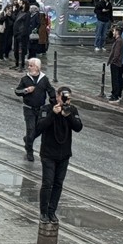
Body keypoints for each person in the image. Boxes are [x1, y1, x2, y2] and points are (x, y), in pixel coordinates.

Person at [34, 86, 82, 223]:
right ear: (58, 96)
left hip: (64, 154)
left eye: (68, 98)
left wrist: (69, 115)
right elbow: (40, 127)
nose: (66, 100)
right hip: (48, 154)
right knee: (47, 183)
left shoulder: (71, 110)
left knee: (58, 184)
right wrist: (53, 114)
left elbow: (78, 127)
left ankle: (52, 211)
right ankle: (43, 212)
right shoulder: (47, 109)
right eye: (64, 97)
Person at [15, 58, 55, 162]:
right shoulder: (25, 79)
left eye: (31, 65)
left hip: (41, 109)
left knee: (40, 129)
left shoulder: (44, 79)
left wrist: (54, 102)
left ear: (37, 67)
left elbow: (50, 90)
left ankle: (28, 138)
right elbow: (17, 91)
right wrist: (26, 90)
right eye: (28, 65)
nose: (28, 67)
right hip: (28, 109)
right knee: (31, 129)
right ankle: (29, 151)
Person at [107, 25, 123, 102]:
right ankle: (115, 93)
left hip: (116, 63)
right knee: (117, 78)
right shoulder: (118, 40)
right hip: (117, 62)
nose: (113, 32)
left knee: (115, 79)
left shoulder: (119, 41)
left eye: (114, 31)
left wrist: (113, 61)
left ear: (117, 32)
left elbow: (116, 53)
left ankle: (115, 95)